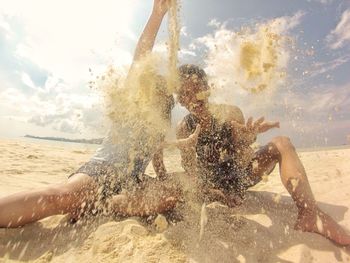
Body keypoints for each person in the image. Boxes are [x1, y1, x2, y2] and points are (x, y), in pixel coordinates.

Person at [0, 0, 196, 228]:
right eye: (155, 90)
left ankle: (108, 204)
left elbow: (161, 146)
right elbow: (142, 56)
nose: (159, 95)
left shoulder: (157, 126)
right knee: (61, 197)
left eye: (163, 96)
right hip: (103, 170)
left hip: (132, 181)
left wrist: (186, 142)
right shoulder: (131, 107)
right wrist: (157, 15)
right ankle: (103, 203)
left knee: (175, 192)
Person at [176, 64, 350, 246]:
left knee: (282, 143)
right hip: (213, 188)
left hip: (241, 177)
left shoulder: (229, 112)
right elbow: (191, 173)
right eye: (186, 94)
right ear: (181, 100)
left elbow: (241, 153)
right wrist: (215, 193)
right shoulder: (183, 128)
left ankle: (309, 215)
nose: (194, 97)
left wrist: (248, 137)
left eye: (197, 88)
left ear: (207, 89)